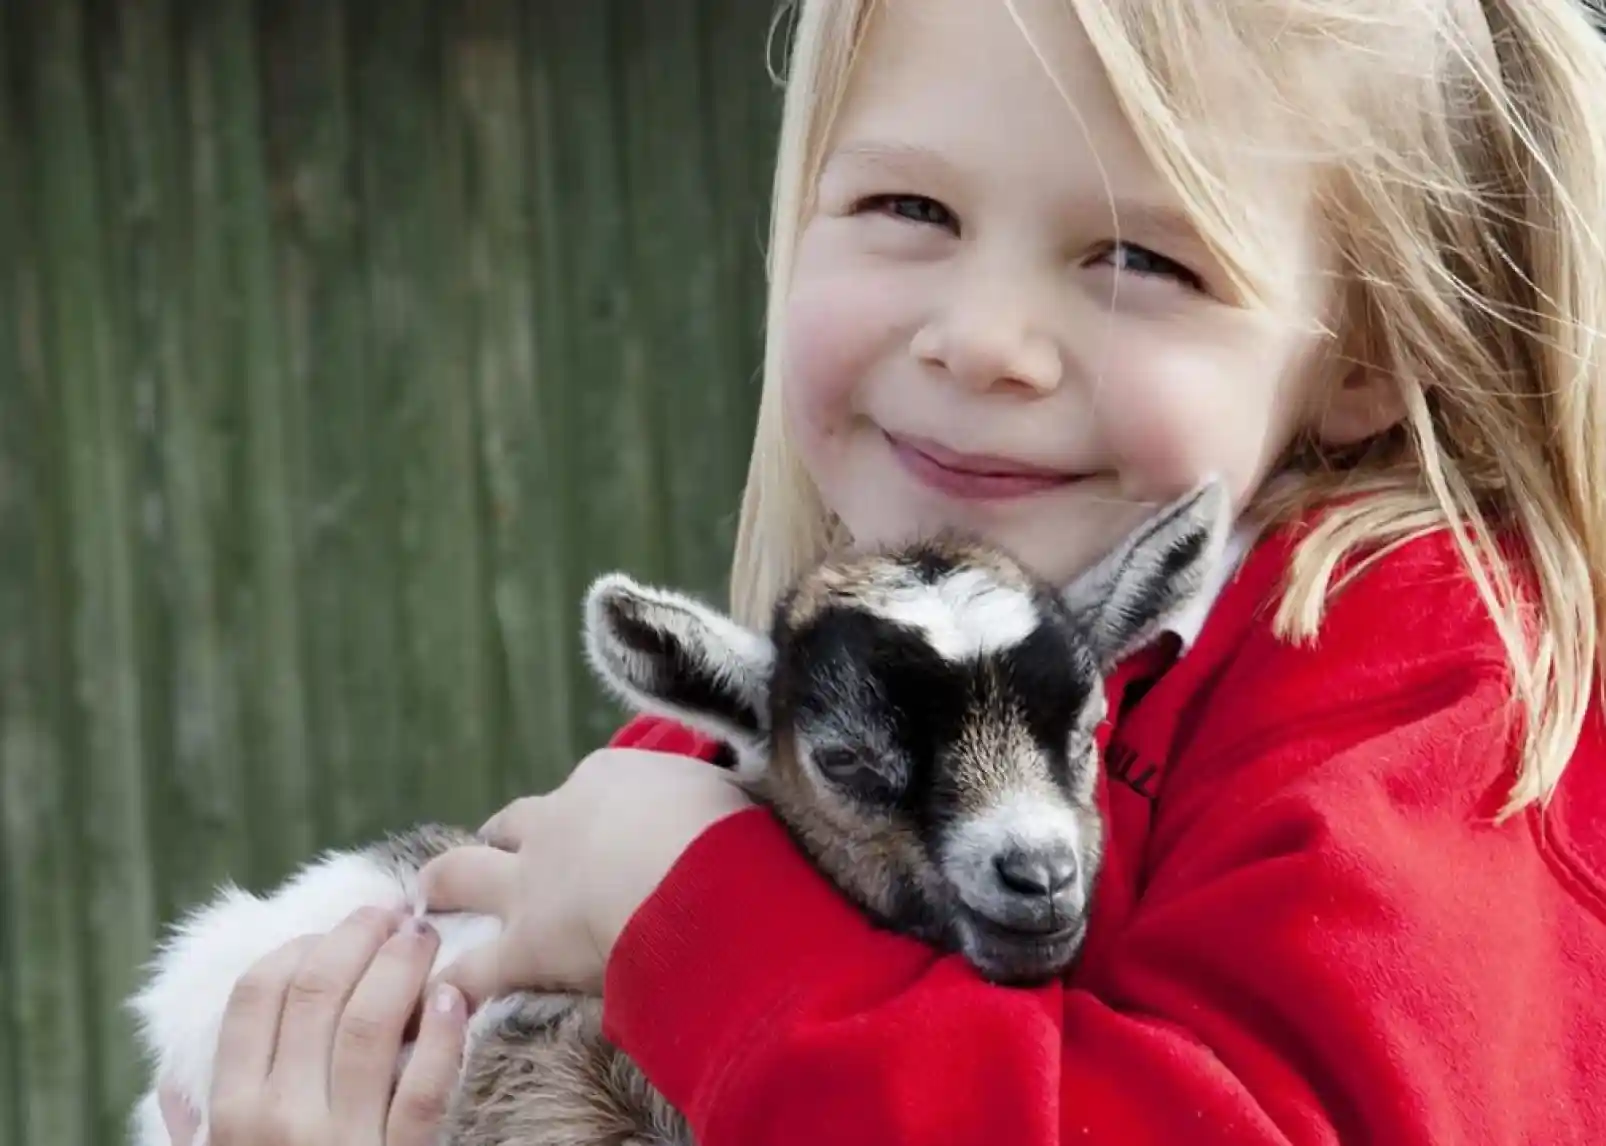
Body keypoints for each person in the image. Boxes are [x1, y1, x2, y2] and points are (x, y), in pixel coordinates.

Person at [163, 0, 1606, 1142]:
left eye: (1137, 255)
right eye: (910, 209)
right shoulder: (731, 755)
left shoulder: (1419, 686)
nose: (980, 338)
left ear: (1365, 347)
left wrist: (703, 917)